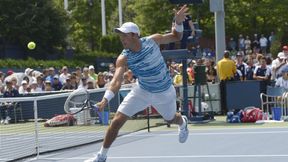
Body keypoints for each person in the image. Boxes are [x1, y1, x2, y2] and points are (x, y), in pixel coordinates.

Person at [84, 5, 189, 162]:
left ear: (134, 35)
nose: (122, 39)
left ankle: (182, 122)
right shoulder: (123, 57)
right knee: (117, 121)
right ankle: (101, 156)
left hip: (164, 91)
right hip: (142, 90)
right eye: (120, 36)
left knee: (170, 119)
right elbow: (116, 81)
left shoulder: (153, 41)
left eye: (124, 35)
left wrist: (178, 22)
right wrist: (105, 99)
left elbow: (176, 36)